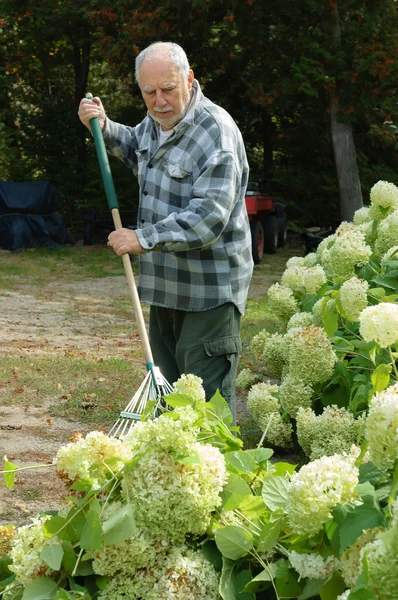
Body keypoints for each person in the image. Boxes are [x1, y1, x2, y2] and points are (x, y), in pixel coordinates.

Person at [78, 41, 253, 421]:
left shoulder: (217, 135)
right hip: (166, 288)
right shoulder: (157, 124)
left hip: (209, 292)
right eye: (149, 92)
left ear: (189, 79)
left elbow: (208, 218)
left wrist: (143, 238)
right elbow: (136, 146)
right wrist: (103, 126)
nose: (159, 101)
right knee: (169, 402)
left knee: (205, 411)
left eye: (169, 89)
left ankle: (214, 477)